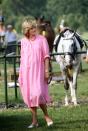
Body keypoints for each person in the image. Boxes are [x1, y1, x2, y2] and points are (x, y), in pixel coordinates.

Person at [18, 17, 53, 128]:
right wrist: (21, 74)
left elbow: (46, 57)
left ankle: (47, 116)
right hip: (26, 72)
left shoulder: (42, 39)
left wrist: (47, 71)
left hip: (38, 71)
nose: (34, 29)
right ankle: (34, 121)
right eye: (31, 28)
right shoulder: (23, 42)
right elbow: (22, 59)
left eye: (34, 27)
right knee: (29, 96)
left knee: (38, 94)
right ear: (26, 30)